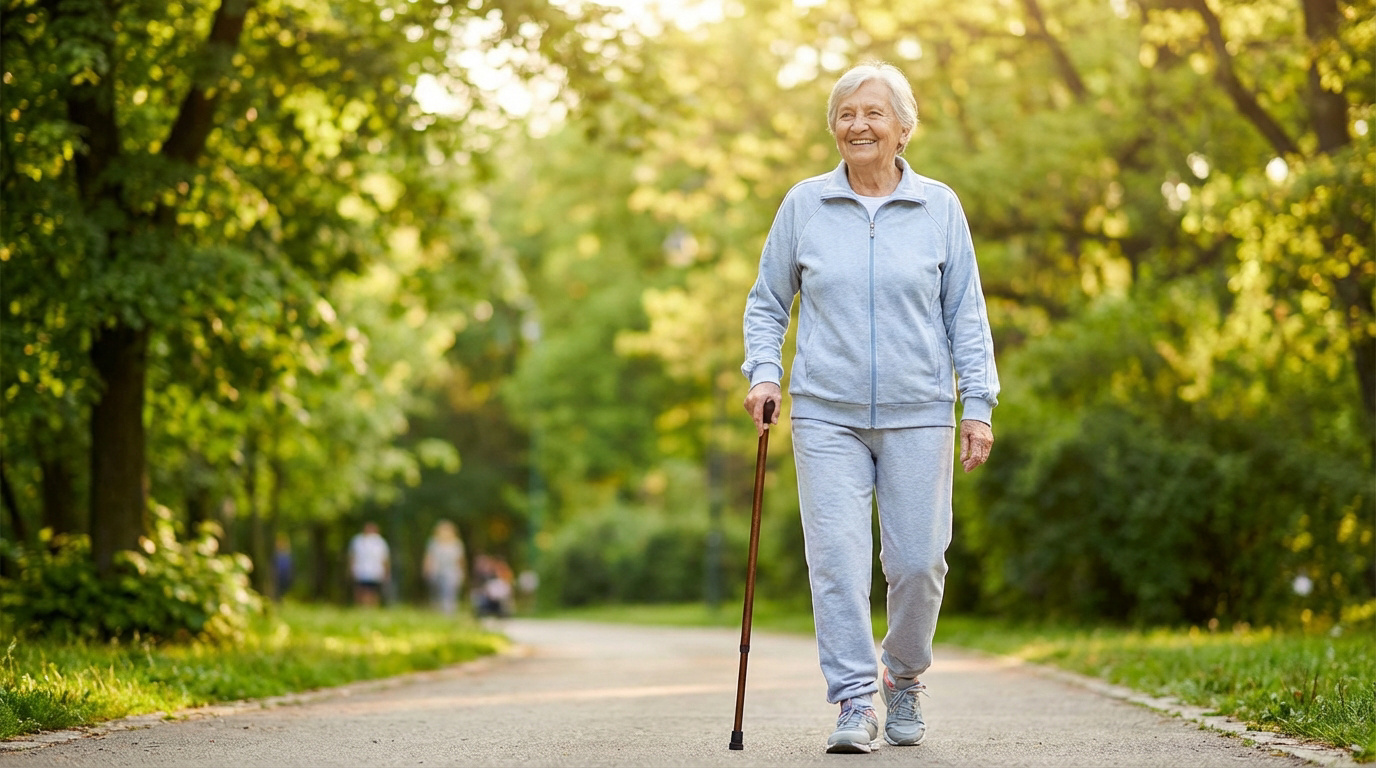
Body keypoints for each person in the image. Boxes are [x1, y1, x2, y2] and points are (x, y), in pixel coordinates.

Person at [741, 61, 998, 754]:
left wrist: (977, 404)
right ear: (833, 127)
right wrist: (764, 374)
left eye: (874, 113)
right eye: (846, 114)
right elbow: (767, 303)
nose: (859, 125)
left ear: (903, 129)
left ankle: (903, 676)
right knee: (837, 562)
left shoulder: (939, 208)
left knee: (919, 563)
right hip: (826, 412)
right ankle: (855, 698)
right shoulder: (805, 205)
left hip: (920, 409)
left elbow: (967, 315)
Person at [422, 520, 467, 615]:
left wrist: (462, 573)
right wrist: (427, 569)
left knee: (449, 590)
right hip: (436, 571)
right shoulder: (434, 543)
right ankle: (437, 610)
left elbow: (460, 560)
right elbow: (429, 557)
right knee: (436, 591)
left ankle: (449, 611)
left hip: (452, 571)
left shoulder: (457, 544)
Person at [348, 521, 391, 607]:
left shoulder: (380, 542)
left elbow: (384, 558)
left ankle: (372, 608)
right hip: (360, 570)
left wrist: (386, 572)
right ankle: (360, 607)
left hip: (375, 571)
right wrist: (351, 569)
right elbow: (352, 556)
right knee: (360, 590)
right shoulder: (357, 541)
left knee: (373, 591)